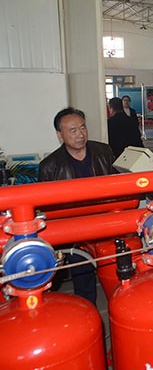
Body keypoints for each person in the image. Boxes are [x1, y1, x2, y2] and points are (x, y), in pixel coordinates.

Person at [39, 107, 116, 305]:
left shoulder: (104, 152)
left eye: (83, 128)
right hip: (75, 232)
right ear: (60, 135)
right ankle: (88, 310)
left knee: (115, 277)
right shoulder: (50, 166)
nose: (80, 134)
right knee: (83, 281)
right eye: (72, 130)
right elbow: (47, 208)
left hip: (106, 225)